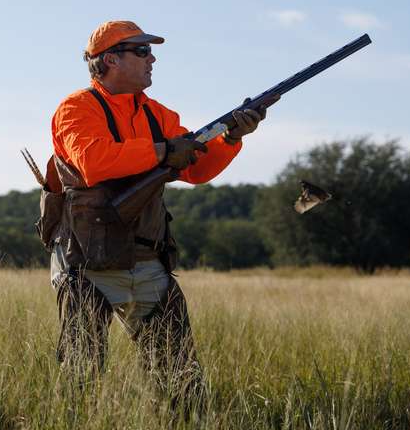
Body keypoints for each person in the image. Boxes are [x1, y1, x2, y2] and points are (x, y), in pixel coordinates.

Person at [44, 20, 273, 408]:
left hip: (147, 260)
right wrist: (163, 151)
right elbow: (93, 162)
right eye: (142, 51)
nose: (153, 59)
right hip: (86, 265)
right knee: (79, 381)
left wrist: (230, 139)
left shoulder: (159, 116)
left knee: (181, 378)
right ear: (110, 60)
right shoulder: (76, 108)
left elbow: (196, 169)